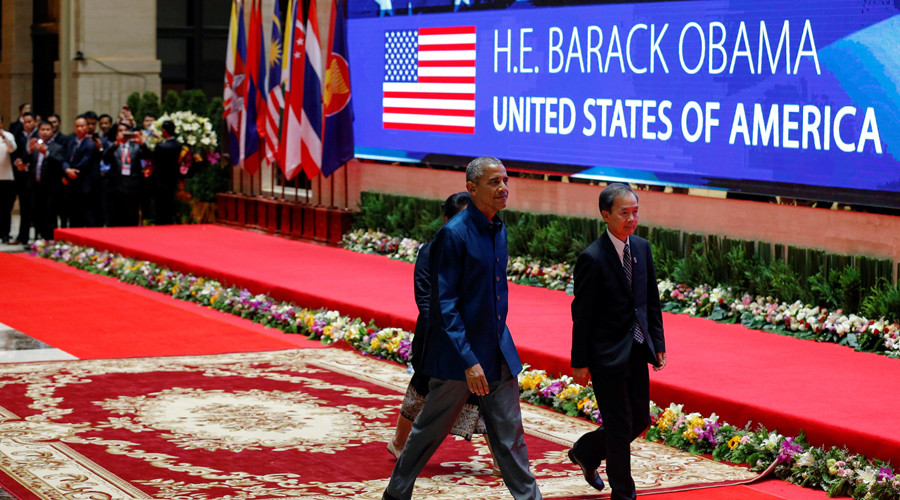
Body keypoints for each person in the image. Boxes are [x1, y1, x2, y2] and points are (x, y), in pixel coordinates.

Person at [382, 156, 542, 500]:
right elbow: (445, 305)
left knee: (511, 436)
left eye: (505, 180)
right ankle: (395, 495)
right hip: (459, 359)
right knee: (427, 433)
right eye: (493, 182)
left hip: (498, 350)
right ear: (471, 189)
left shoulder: (499, 229)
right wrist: (469, 360)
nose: (503, 188)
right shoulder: (452, 235)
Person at [388, 191, 501, 476]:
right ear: (448, 219)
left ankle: (502, 460)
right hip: (436, 340)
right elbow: (425, 299)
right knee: (422, 391)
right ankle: (399, 443)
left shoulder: (484, 244)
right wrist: (449, 331)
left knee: (482, 394)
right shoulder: (431, 249)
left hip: (473, 339)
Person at [568, 182, 667, 500]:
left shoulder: (641, 248)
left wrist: (658, 341)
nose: (631, 219)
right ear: (605, 215)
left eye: (635, 212)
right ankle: (623, 493)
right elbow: (581, 314)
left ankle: (586, 449)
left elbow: (650, 300)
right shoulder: (592, 258)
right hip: (605, 354)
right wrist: (580, 361)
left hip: (637, 348)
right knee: (619, 422)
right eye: (624, 213)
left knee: (638, 418)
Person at [103, 122, 150, 226]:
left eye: (125, 130)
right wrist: (117, 143)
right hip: (116, 187)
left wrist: (141, 142)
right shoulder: (113, 146)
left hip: (133, 188)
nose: (123, 133)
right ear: (116, 134)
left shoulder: (136, 146)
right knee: (115, 219)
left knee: (132, 218)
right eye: (120, 131)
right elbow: (105, 159)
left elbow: (148, 155)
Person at [26, 121, 66, 240]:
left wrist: (46, 153)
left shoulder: (57, 147)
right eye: (42, 129)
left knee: (50, 214)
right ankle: (38, 238)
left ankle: (49, 240)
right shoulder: (35, 147)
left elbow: (59, 163)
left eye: (48, 129)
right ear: (38, 131)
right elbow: (27, 161)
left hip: (51, 188)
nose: (45, 132)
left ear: (52, 132)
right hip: (36, 187)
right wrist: (29, 150)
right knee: (37, 214)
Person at [62, 115, 98, 227]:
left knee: (87, 215)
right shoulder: (71, 142)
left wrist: (71, 172)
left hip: (84, 184)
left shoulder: (90, 144)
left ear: (87, 128)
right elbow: (65, 159)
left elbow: (84, 163)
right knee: (73, 215)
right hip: (73, 184)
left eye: (82, 126)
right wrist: (66, 169)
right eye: (77, 126)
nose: (79, 129)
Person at [11, 111, 38, 243]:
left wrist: (25, 161)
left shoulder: (39, 135)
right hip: (22, 175)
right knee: (24, 207)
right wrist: (17, 162)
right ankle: (23, 236)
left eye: (29, 121)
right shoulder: (18, 135)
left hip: (36, 175)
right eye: (24, 122)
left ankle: (39, 235)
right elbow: (14, 152)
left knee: (37, 207)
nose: (27, 124)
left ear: (35, 122)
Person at [150, 120, 183, 225]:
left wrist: (159, 141)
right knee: (170, 204)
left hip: (160, 180)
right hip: (173, 179)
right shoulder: (179, 145)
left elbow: (154, 157)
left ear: (164, 131)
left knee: (160, 207)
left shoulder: (161, 146)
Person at [0, 115, 17, 243]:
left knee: (6, 208)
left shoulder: (8, 136)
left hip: (6, 177)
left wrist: (3, 137)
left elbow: (12, 149)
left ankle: (5, 233)